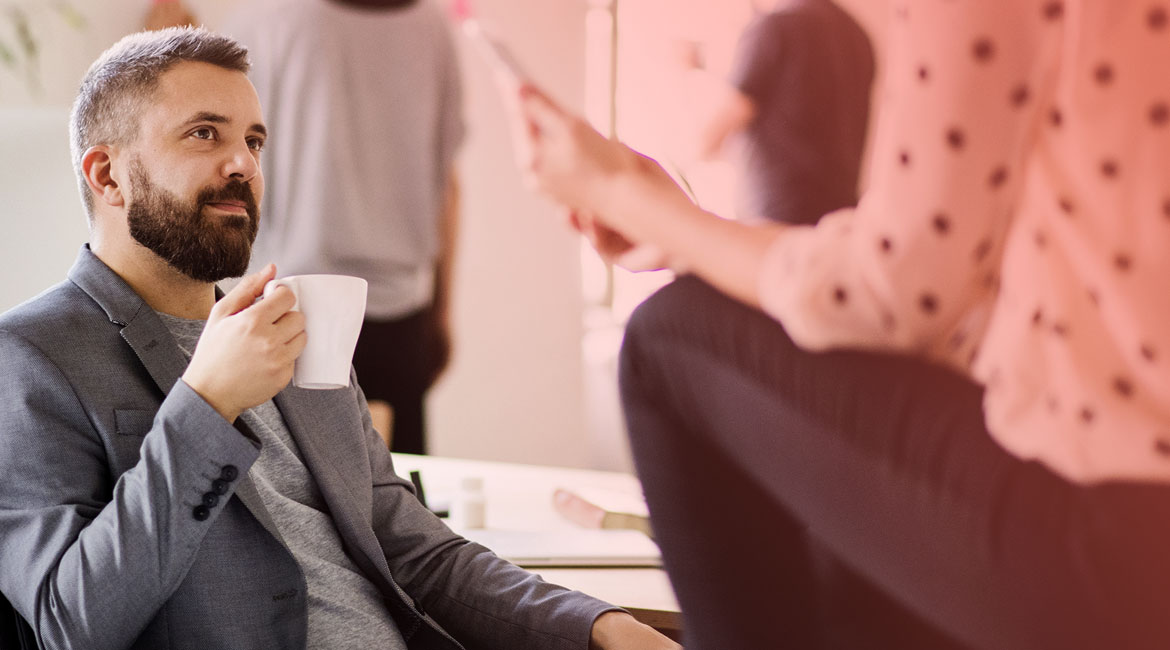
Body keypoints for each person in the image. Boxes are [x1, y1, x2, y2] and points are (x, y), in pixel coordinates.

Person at [509, 0, 1170, 648]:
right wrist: (692, 239)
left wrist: (621, 192)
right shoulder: (848, 33)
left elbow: (898, 285)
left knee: (670, 335)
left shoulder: (774, 33)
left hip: (1120, 533)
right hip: (828, 238)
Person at [0, 27, 675, 650]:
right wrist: (205, 405)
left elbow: (418, 552)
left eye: (254, 142)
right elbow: (70, 622)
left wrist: (601, 626)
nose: (243, 164)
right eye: (205, 134)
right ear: (107, 175)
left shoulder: (296, 332)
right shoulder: (31, 357)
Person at [221, 0, 466, 454]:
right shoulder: (433, 28)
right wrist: (442, 311)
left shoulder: (265, 21)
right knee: (395, 488)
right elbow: (446, 185)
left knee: (298, 489)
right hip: (401, 314)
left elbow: (227, 168)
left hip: (291, 307)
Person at [691, 0, 873, 225]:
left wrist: (689, 74)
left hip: (778, 221)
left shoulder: (773, 28)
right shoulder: (858, 36)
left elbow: (708, 140)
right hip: (841, 220)